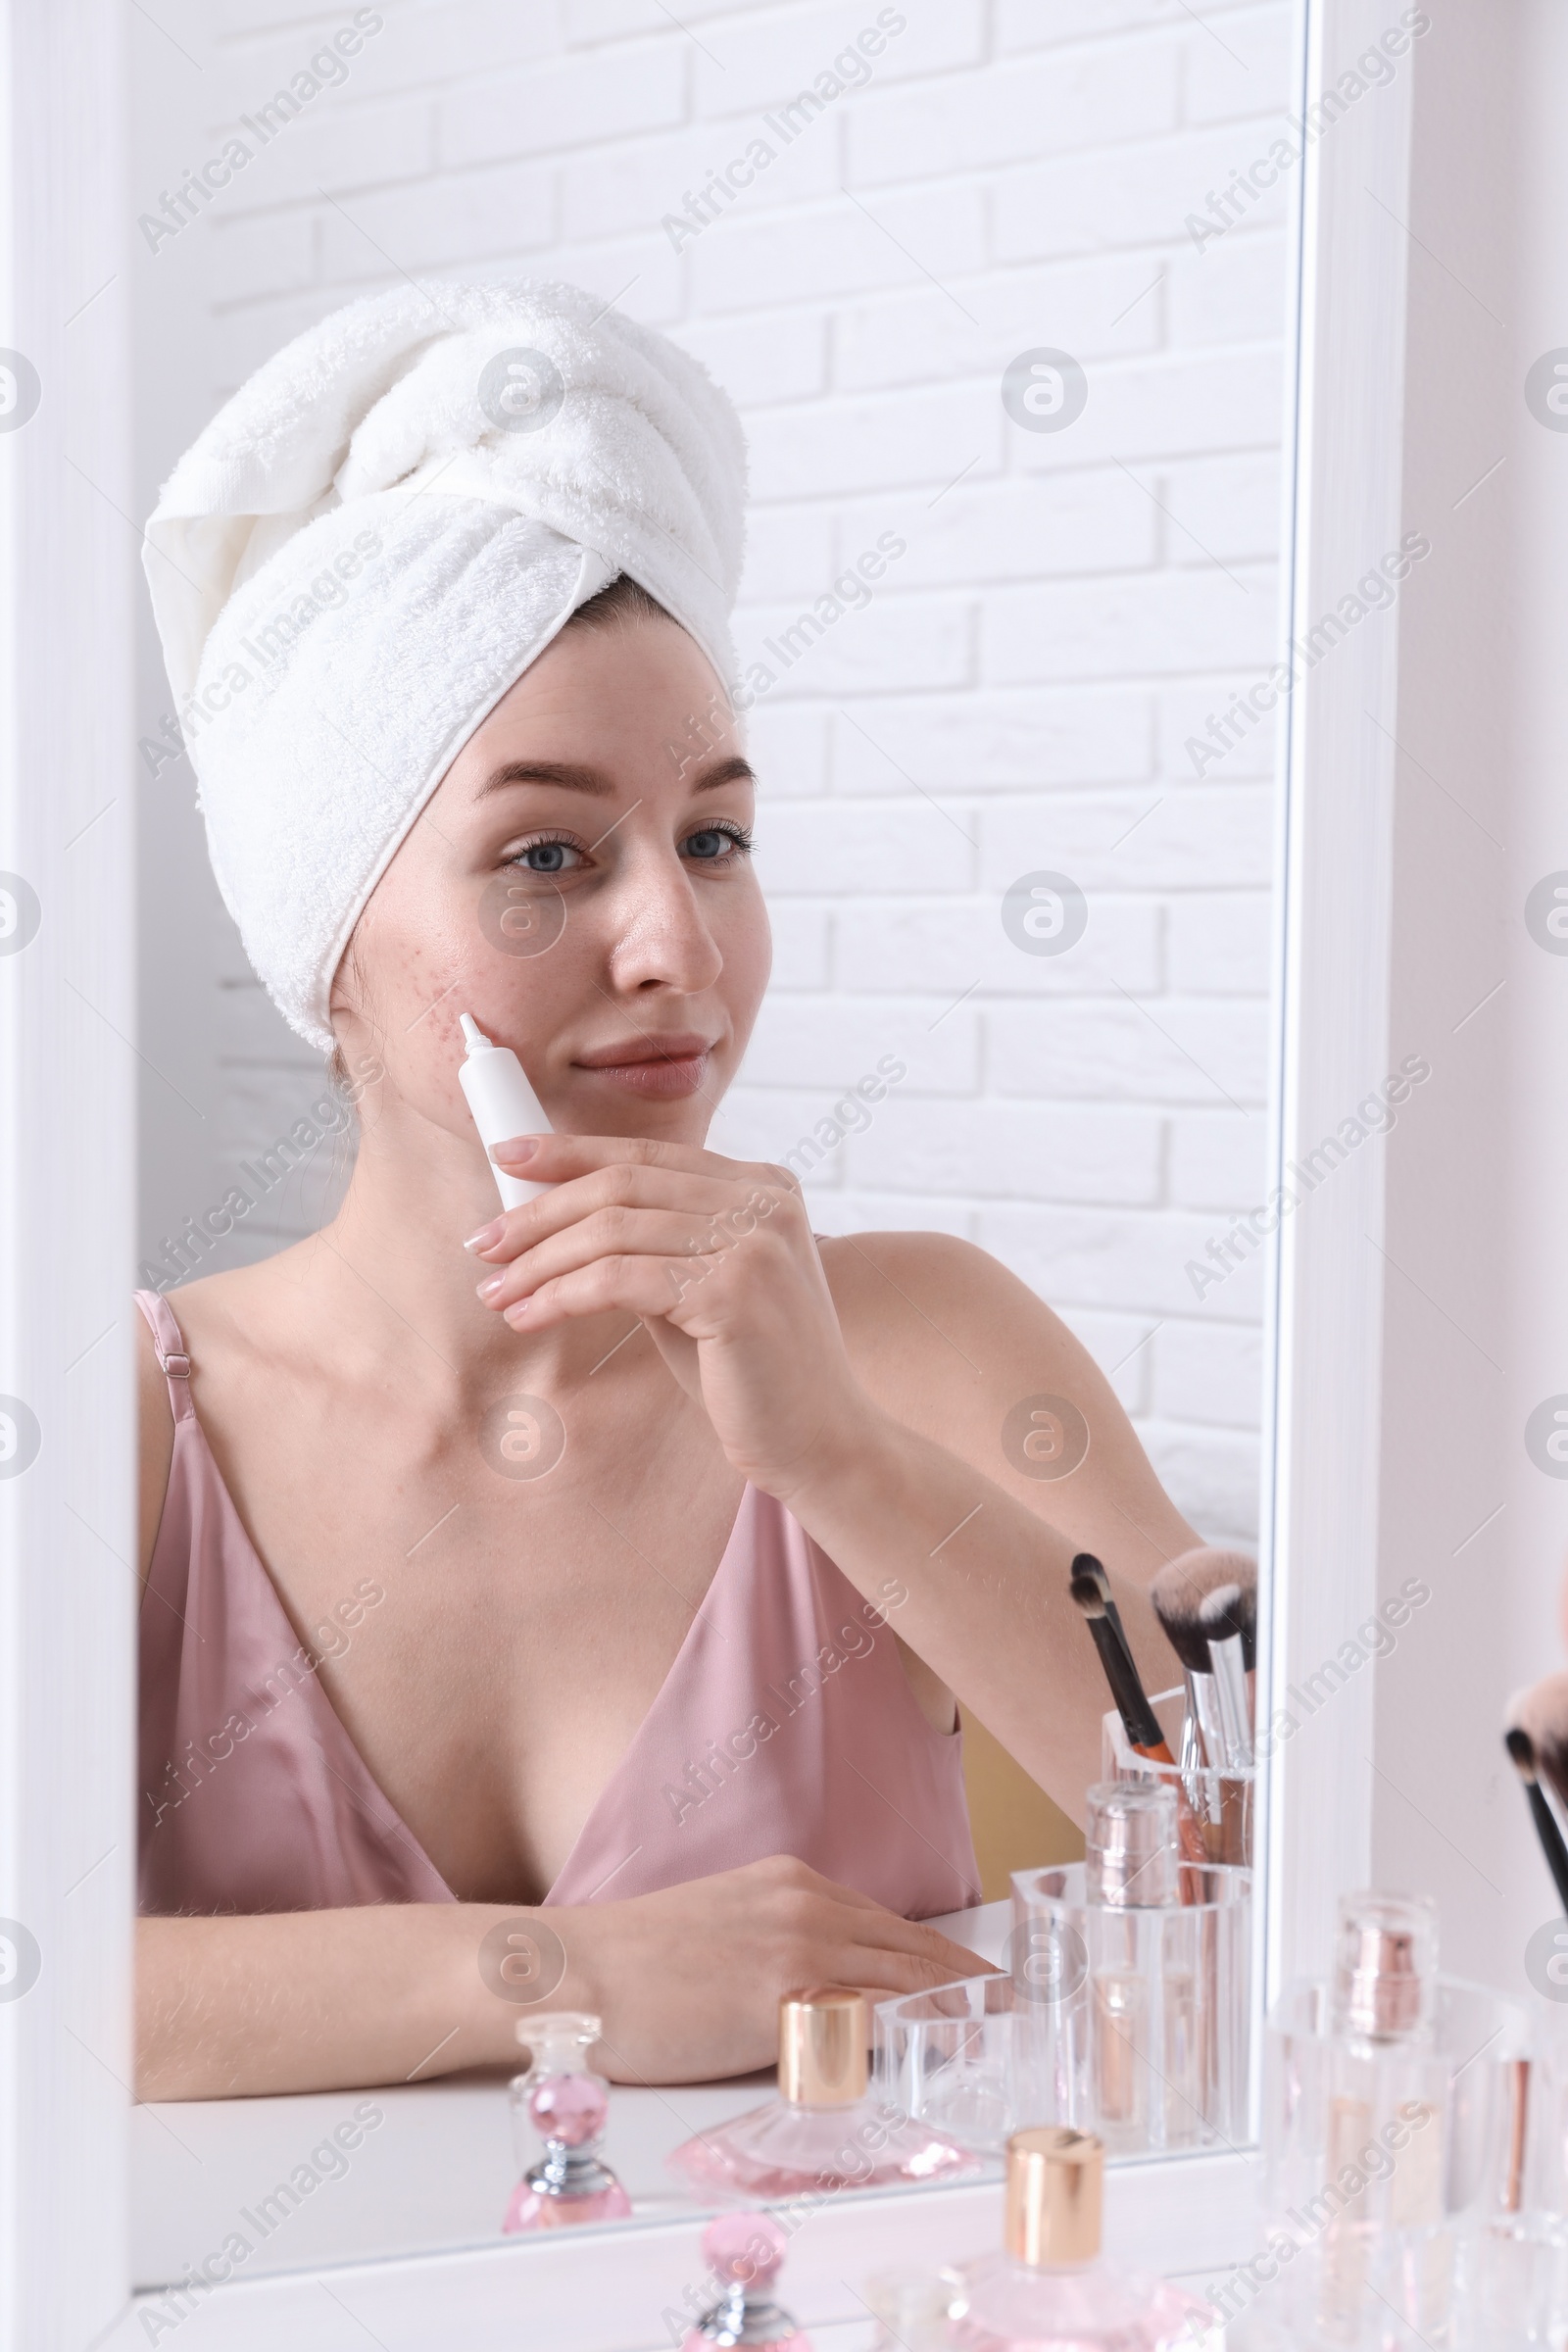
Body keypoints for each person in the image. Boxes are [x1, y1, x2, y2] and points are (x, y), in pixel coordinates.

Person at [135, 284, 1200, 2101]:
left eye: (715, 837)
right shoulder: (138, 1428)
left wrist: (838, 1455)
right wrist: (571, 1978)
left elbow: (1269, 1845)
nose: (677, 945)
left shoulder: (924, 1339)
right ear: (329, 945)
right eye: (548, 855)